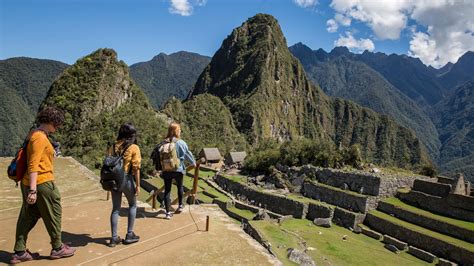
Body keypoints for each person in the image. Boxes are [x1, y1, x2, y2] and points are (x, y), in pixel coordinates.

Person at [11, 107, 75, 264]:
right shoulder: (39, 138)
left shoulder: (34, 133)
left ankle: (19, 251)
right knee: (54, 212)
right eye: (57, 124)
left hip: (28, 183)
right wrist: (33, 190)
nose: (58, 127)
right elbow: (33, 165)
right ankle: (58, 248)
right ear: (52, 122)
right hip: (41, 183)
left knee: (28, 216)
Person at [108, 123, 141, 247]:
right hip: (126, 180)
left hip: (113, 181)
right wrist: (137, 185)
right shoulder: (134, 147)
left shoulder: (113, 146)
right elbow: (136, 168)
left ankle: (114, 238)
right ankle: (129, 234)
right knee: (132, 205)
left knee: (115, 209)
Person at [161, 122, 196, 220]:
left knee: (167, 190)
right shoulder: (181, 143)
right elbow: (187, 154)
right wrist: (193, 163)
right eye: (179, 129)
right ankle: (180, 205)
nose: (180, 131)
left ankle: (167, 213)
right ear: (176, 131)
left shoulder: (164, 142)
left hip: (167, 169)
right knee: (180, 186)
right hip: (178, 169)